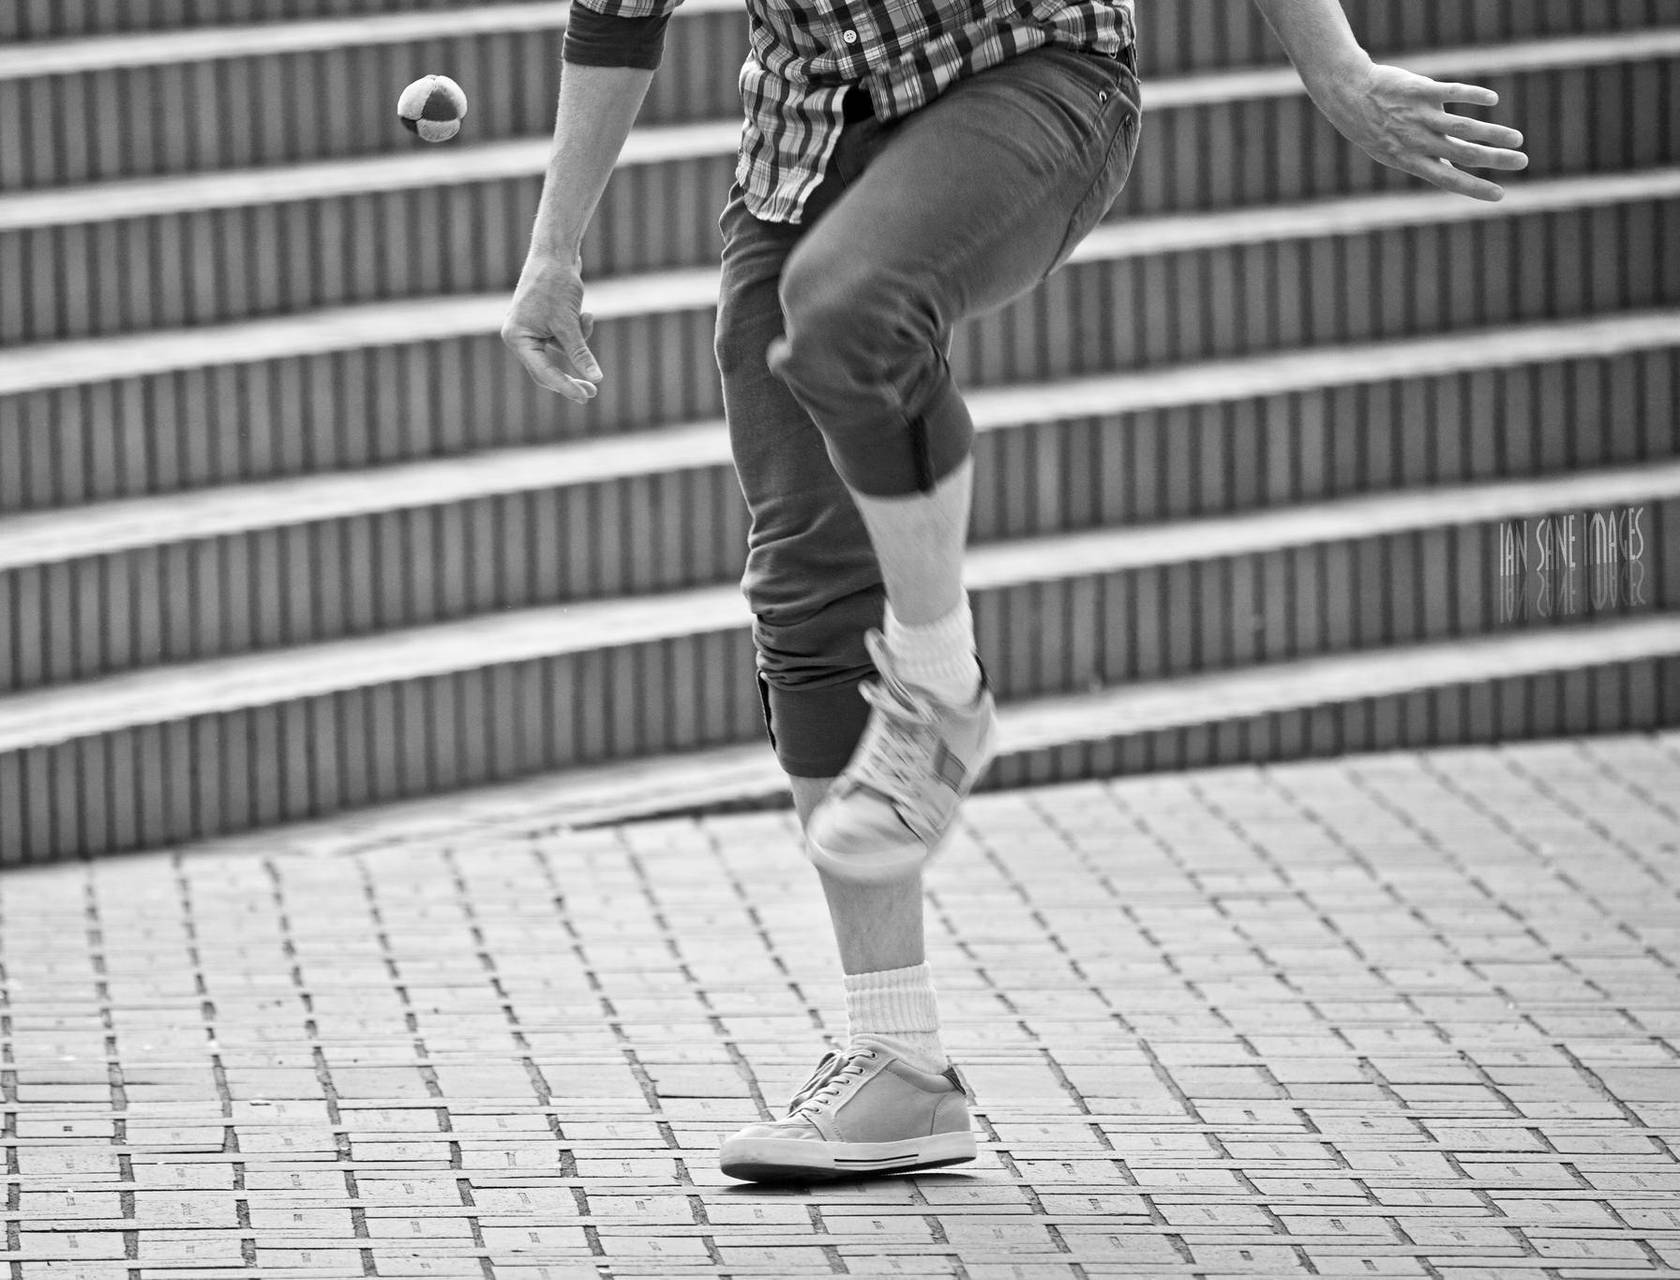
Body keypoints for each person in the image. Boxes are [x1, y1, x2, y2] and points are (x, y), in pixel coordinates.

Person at [501, 0, 1527, 1182]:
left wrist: (1335, 67)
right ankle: (897, 1062)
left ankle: (940, 684)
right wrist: (553, 252)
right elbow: (618, 18)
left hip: (1034, 84)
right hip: (805, 142)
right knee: (802, 573)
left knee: (844, 311)